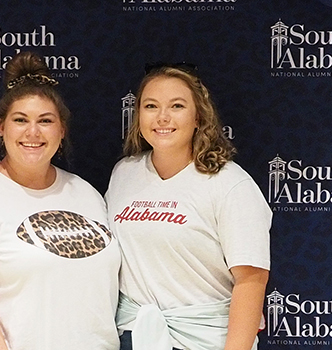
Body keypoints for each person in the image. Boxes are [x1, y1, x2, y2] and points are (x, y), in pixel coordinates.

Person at [0, 51, 121, 350]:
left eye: (45, 121)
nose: (32, 132)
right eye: (20, 120)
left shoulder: (86, 193)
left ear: (61, 130)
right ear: (2, 127)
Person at [106, 63, 271, 350]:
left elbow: (252, 279)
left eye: (177, 106)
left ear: (198, 118)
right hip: (134, 336)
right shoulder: (124, 173)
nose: (163, 117)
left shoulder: (231, 184)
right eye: (151, 106)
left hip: (204, 341)